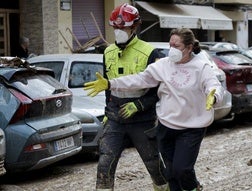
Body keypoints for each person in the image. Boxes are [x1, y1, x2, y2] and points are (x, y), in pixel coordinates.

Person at [84, 28, 225, 191]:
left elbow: (214, 86)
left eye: (177, 46)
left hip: (192, 128)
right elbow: (139, 79)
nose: (172, 49)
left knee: (182, 169)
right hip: (167, 126)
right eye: (170, 44)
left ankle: (194, 187)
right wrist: (111, 83)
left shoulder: (201, 67)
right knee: (170, 173)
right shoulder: (163, 65)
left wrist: (213, 97)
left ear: (189, 47)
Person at [91, 3, 168, 191]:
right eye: (115, 28)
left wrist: (139, 105)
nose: (118, 31)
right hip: (115, 118)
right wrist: (107, 112)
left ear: (134, 27)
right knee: (105, 164)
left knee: (154, 165)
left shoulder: (150, 53)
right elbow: (107, 86)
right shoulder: (108, 52)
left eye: (123, 27)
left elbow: (159, 90)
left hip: (142, 119)